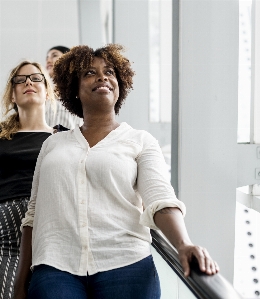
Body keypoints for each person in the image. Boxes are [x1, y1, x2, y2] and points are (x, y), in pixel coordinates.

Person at [14, 44, 219, 299]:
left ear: (119, 85)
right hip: (55, 269)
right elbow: (33, 215)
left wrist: (183, 244)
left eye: (109, 72)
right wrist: (20, 282)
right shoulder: (52, 144)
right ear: (75, 89)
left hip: (127, 266)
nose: (102, 77)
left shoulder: (140, 140)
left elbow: (160, 199)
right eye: (89, 73)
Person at [0, 61, 56, 299]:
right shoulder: (2, 138)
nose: (28, 83)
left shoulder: (63, 138)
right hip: (5, 235)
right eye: (20, 80)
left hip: (51, 232)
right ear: (12, 95)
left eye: (35, 78)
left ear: (47, 91)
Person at [45, 45, 83, 129]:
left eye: (54, 55)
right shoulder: (41, 93)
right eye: (47, 58)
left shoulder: (80, 90)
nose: (48, 60)